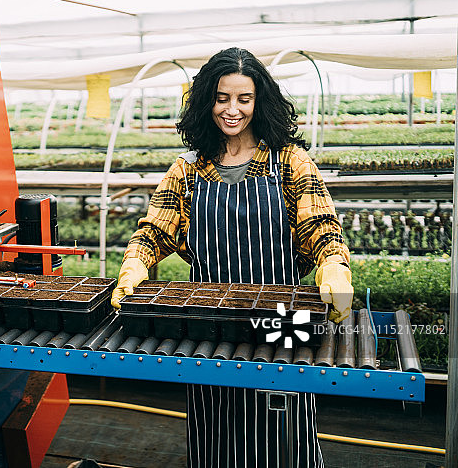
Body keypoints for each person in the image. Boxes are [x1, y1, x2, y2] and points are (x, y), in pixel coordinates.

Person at [110, 47, 353, 468]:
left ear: (260, 102)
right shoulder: (188, 169)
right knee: (215, 430)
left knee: (284, 427)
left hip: (281, 320)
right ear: (208, 101)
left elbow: (320, 225)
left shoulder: (286, 161)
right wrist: (136, 263)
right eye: (222, 98)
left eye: (244, 98)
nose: (232, 109)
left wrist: (333, 262)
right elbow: (155, 230)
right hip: (211, 321)